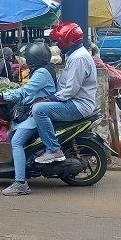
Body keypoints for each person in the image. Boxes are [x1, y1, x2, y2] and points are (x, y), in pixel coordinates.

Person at [32, 22, 97, 164]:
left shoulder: (78, 58)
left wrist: (49, 99)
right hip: (74, 101)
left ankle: (53, 150)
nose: (56, 44)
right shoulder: (73, 55)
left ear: (66, 40)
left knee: (39, 110)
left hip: (78, 105)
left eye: (58, 41)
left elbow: (70, 90)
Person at [0, 42, 57, 196]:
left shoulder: (41, 73)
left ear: (33, 59)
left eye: (28, 58)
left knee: (16, 142)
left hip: (35, 113)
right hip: (31, 109)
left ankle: (20, 183)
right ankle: (24, 167)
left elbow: (26, 91)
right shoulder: (43, 69)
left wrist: (3, 95)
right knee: (11, 136)